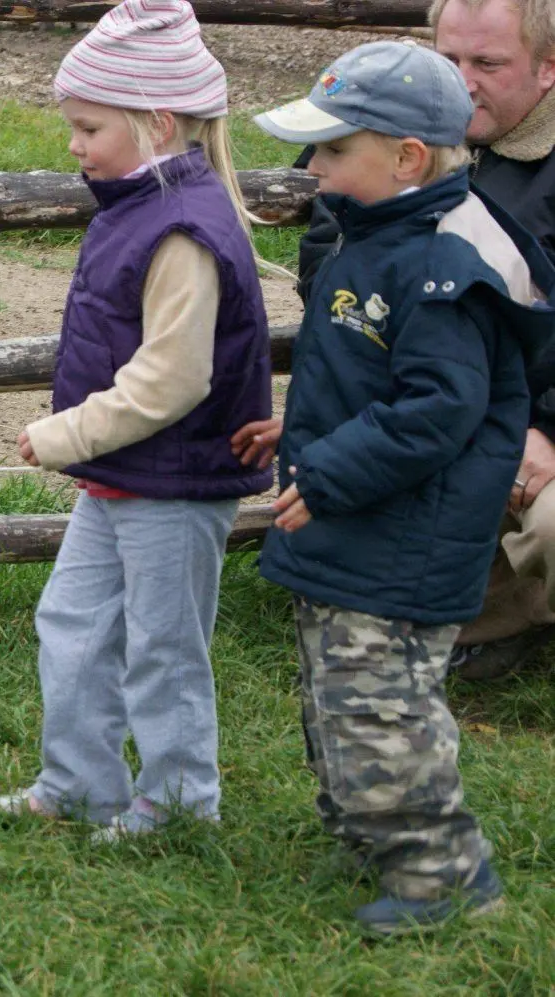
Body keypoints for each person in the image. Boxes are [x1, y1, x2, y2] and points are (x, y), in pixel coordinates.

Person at [253, 39, 555, 935]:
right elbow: (370, 375)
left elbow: (437, 412)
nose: (315, 169)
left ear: (407, 158)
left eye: (334, 150)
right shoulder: (381, 234)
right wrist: (298, 423)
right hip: (362, 524)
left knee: (382, 703)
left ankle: (442, 873)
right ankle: (366, 826)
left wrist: (331, 470)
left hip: (404, 535)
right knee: (336, 690)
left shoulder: (445, 266)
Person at [0, 0, 274, 842]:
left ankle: (179, 802)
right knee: (71, 623)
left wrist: (66, 434)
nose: (73, 144)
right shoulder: (136, 202)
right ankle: (79, 781)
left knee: (162, 647)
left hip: (175, 482)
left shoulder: (183, 228)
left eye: (87, 126)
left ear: (155, 122)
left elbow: (172, 379)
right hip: (124, 476)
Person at [236, 0, 555, 680]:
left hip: (511, 423)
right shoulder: (379, 162)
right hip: (434, 403)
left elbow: (446, 391)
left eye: (488, 63)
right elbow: (339, 271)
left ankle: (473, 622)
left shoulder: (446, 236)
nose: (462, 81)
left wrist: (546, 423)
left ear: (548, 68)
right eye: (449, 59)